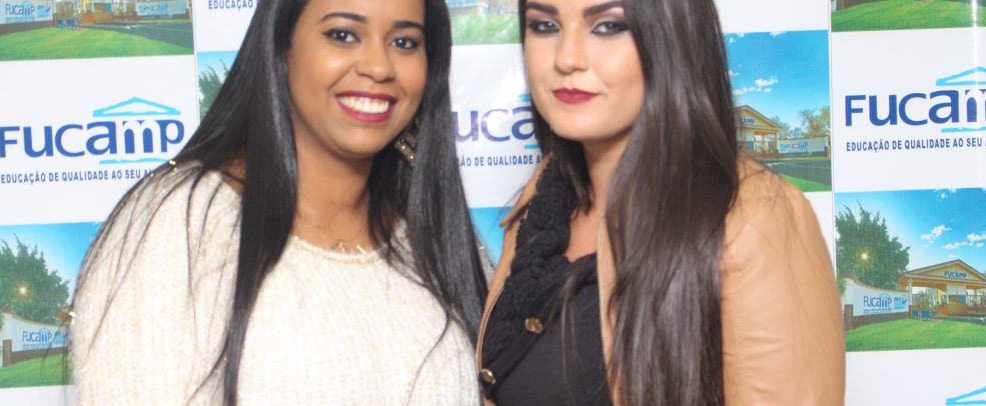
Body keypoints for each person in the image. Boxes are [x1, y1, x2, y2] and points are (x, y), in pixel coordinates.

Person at [70, 0, 488, 403]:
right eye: (343, 35)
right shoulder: (181, 223)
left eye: (404, 42)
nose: (379, 67)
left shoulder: (434, 233)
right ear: (281, 43)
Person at [476, 0, 845, 405]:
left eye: (608, 26)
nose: (566, 58)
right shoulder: (542, 203)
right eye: (545, 26)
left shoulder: (750, 216)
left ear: (672, 34)